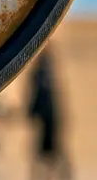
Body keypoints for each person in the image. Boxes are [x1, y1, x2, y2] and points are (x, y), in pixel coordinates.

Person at [28, 47, 72, 180]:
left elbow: (39, 98)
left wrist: (32, 111)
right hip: (49, 120)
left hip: (47, 121)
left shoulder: (41, 74)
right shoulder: (47, 74)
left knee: (47, 156)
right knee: (51, 156)